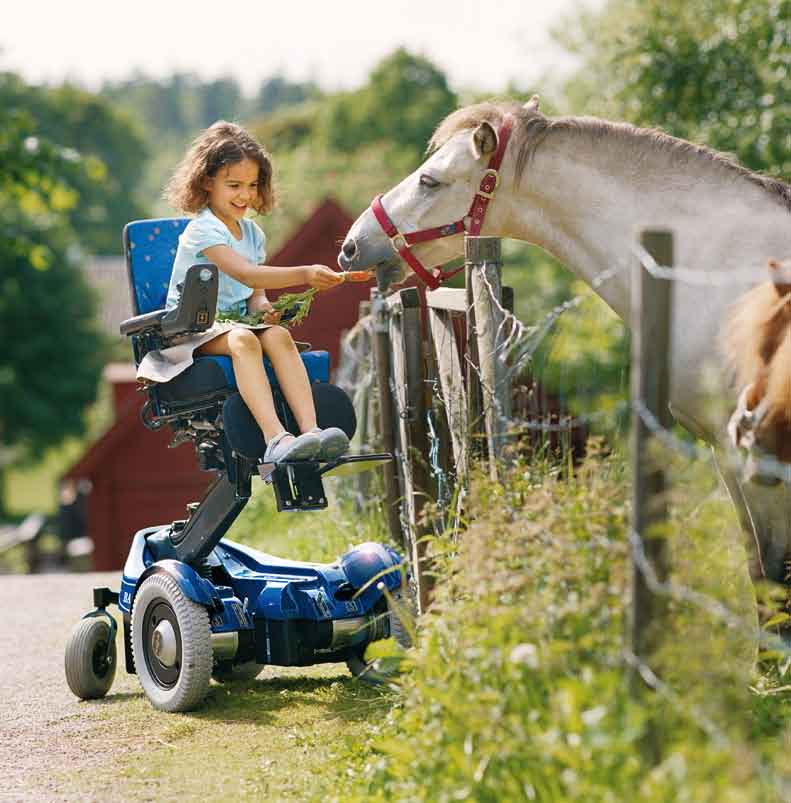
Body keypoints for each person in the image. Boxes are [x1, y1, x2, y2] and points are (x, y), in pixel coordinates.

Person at [136, 121, 347, 463]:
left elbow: (255, 292)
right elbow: (245, 272)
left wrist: (265, 309)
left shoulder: (253, 234)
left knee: (278, 335)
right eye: (233, 185)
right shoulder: (202, 230)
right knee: (244, 341)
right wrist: (305, 274)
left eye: (252, 185)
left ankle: (311, 433)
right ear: (207, 181)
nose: (245, 195)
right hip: (192, 329)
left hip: (235, 323)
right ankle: (276, 438)